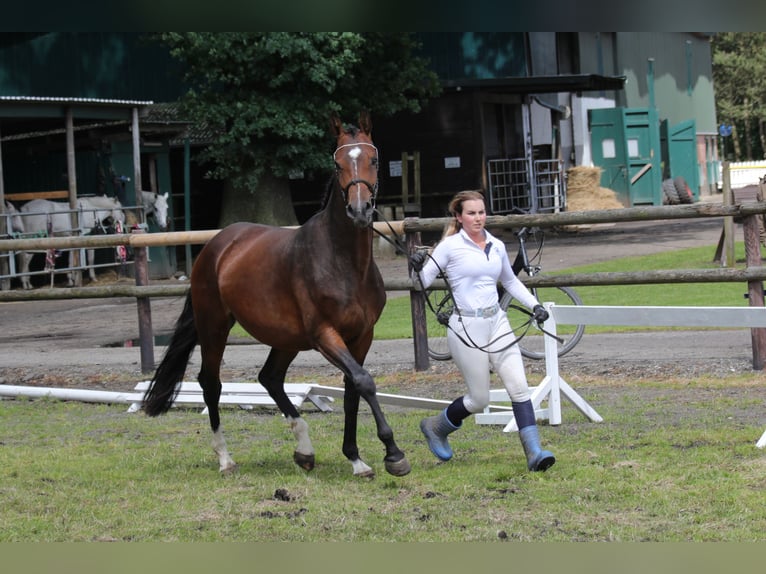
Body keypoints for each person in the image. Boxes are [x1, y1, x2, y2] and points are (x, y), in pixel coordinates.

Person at [410, 190, 555, 472]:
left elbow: (510, 282)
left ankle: (534, 453)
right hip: (466, 326)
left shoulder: (497, 245)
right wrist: (416, 268)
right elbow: (420, 285)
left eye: (481, 212)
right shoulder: (449, 247)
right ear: (459, 217)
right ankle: (435, 427)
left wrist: (535, 305)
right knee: (480, 399)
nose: (478, 218)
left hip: (497, 321)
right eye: (471, 213)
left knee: (519, 387)